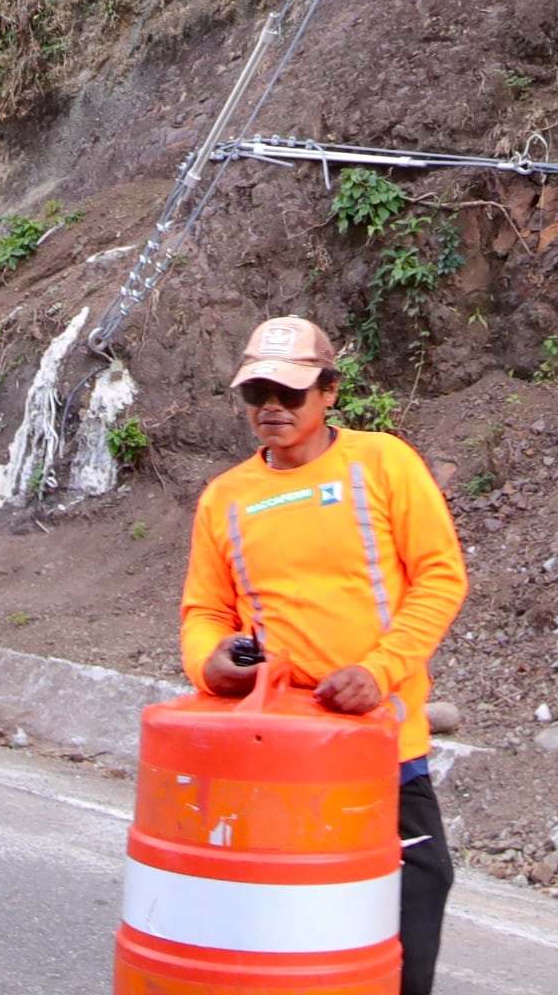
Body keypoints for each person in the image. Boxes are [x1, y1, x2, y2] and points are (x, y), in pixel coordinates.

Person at [181, 316, 468, 995]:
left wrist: (378, 670)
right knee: (290, 920)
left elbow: (440, 575)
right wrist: (207, 664)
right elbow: (204, 613)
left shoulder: (384, 463)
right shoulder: (224, 498)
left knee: (415, 888)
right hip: (275, 747)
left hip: (382, 745)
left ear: (330, 392)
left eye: (290, 391)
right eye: (257, 394)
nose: (272, 407)